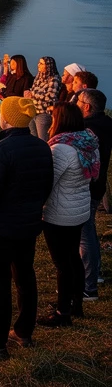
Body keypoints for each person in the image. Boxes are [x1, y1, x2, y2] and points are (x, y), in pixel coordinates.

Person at [0, 96, 54, 357]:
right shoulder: (41, 146)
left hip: (1, 228)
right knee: (25, 276)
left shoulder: (1, 150)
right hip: (28, 224)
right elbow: (46, 185)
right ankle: (24, 331)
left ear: (7, 118)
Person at [36, 104, 98, 327]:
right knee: (73, 258)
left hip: (60, 213)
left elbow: (48, 181)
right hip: (79, 208)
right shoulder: (88, 142)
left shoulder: (61, 148)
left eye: (53, 117)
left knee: (63, 263)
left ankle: (63, 313)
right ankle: (76, 304)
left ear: (60, 120)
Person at [79, 89, 111, 301]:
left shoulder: (88, 129)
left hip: (87, 187)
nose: (77, 104)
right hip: (98, 185)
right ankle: (93, 274)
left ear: (87, 107)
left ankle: (89, 283)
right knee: (88, 229)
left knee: (85, 232)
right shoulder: (107, 123)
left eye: (80, 101)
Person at [27, 57, 63, 141]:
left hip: (44, 113)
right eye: (39, 63)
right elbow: (33, 90)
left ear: (48, 66)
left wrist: (34, 94)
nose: (38, 65)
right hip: (33, 111)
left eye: (41, 64)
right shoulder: (38, 77)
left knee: (43, 139)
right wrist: (34, 94)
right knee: (32, 137)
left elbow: (50, 97)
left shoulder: (54, 79)